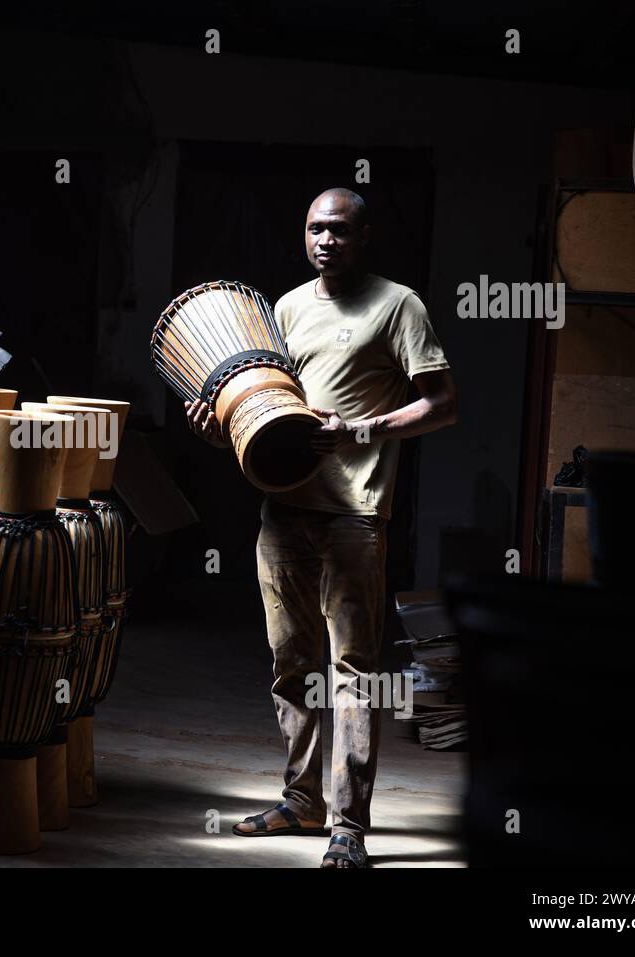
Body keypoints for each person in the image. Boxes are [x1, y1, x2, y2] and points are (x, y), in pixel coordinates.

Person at [185, 188, 458, 868]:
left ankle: (348, 826)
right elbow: (264, 405)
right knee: (290, 665)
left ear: (364, 236)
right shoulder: (286, 307)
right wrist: (220, 430)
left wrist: (363, 428)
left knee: (354, 673)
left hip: (354, 516)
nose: (324, 239)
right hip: (282, 509)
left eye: (338, 229)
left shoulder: (399, 305)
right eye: (314, 228)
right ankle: (301, 799)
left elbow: (443, 402)